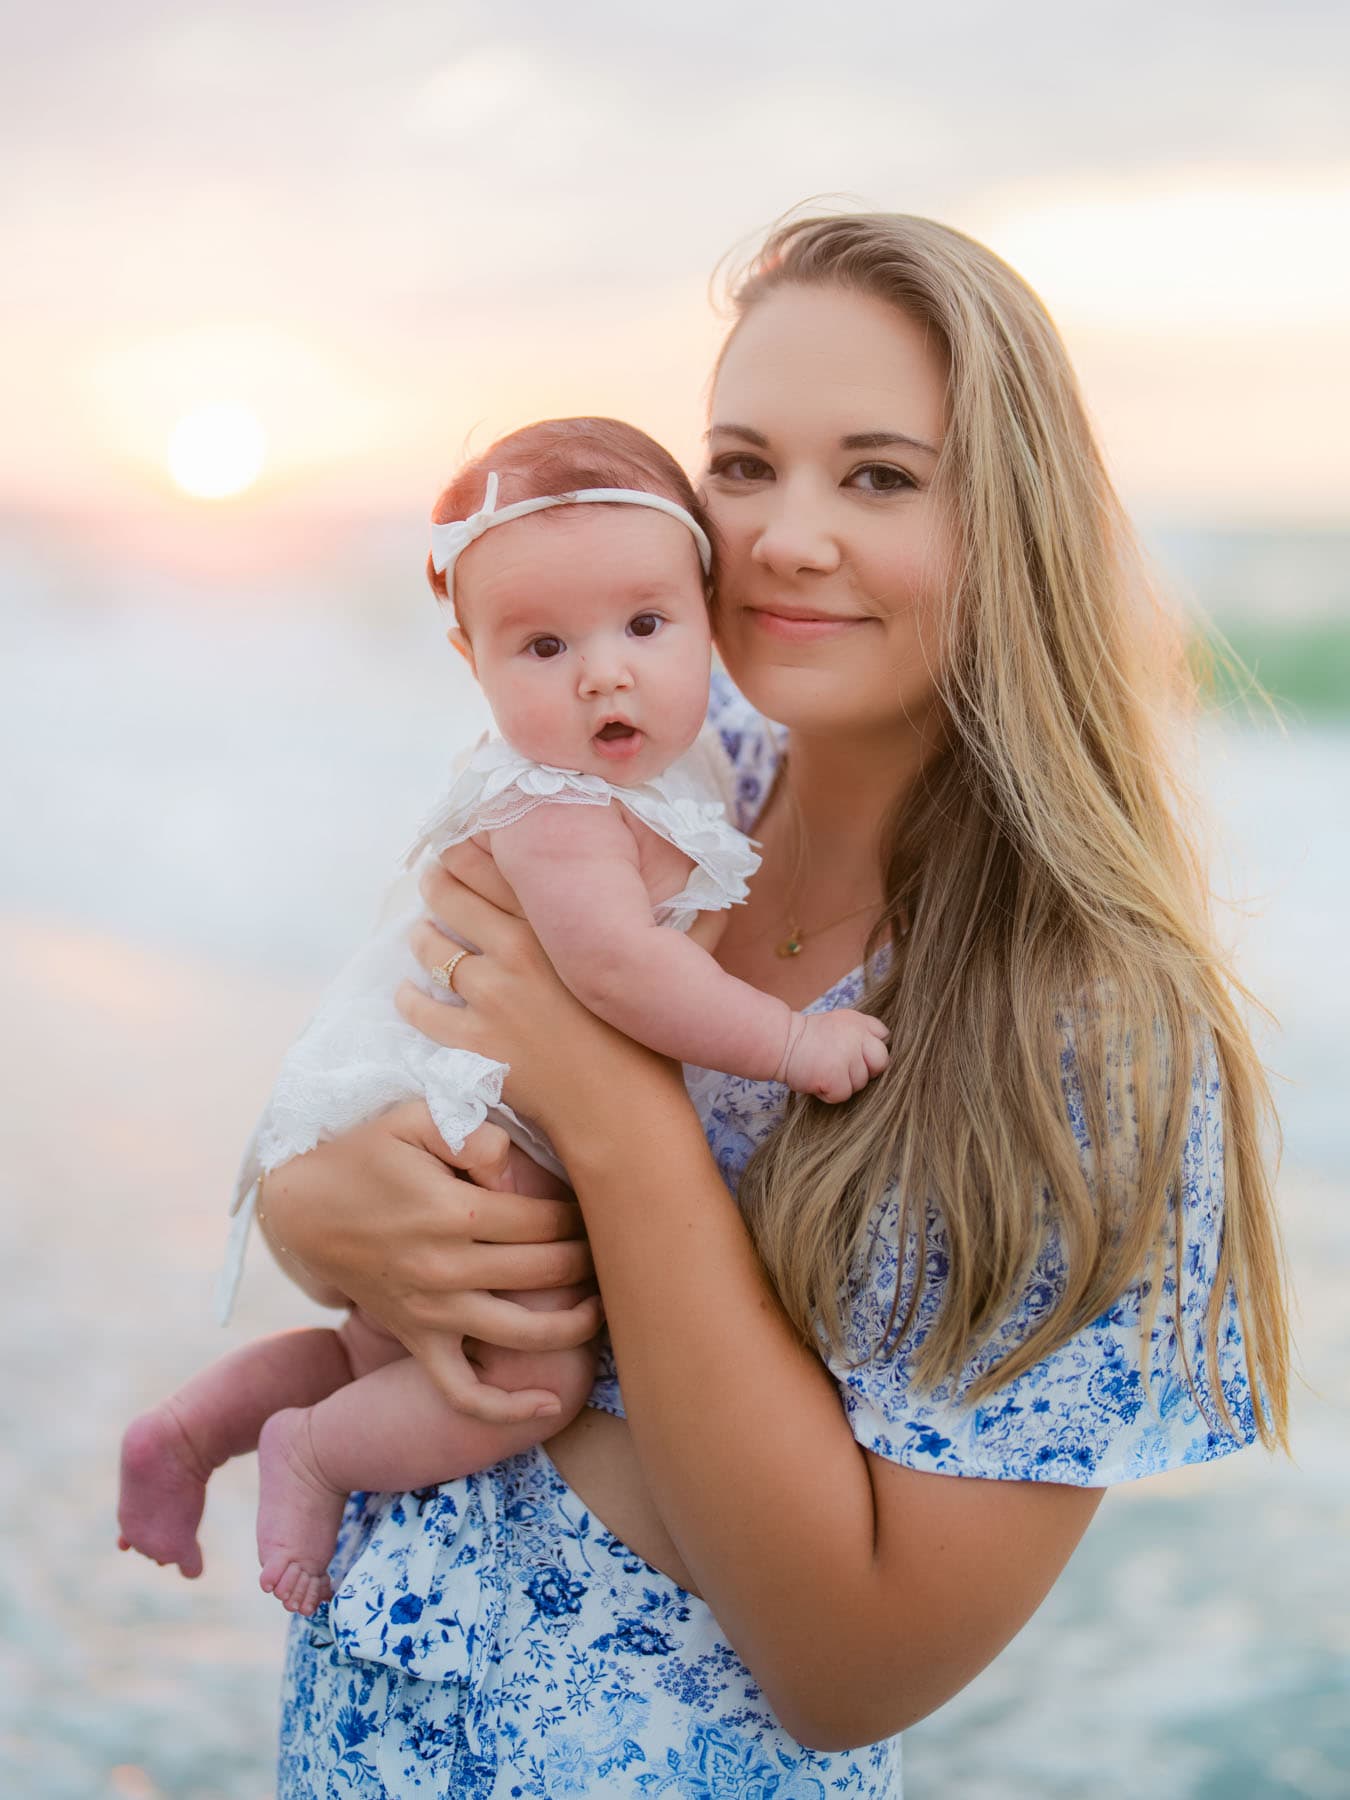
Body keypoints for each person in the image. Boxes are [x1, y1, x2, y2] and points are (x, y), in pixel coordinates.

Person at [253, 213, 1290, 1797]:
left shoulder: (1083, 1030)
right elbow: (392, 1070)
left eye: (877, 475)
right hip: (366, 1727)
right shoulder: (663, 796)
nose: (783, 538)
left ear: (1013, 523)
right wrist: (322, 1214)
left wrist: (617, 1121)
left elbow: (849, 1667)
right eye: (741, 468)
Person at [115, 416, 889, 1618]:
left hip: (453, 1107)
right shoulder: (559, 806)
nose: (603, 673)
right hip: (478, 1128)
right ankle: (310, 1453)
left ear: (706, 606)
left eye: (645, 625)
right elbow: (622, 974)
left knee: (383, 1347)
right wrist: (792, 1043)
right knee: (530, 1374)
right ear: (470, 659)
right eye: (541, 645)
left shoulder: (675, 761)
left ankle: (191, 1426)